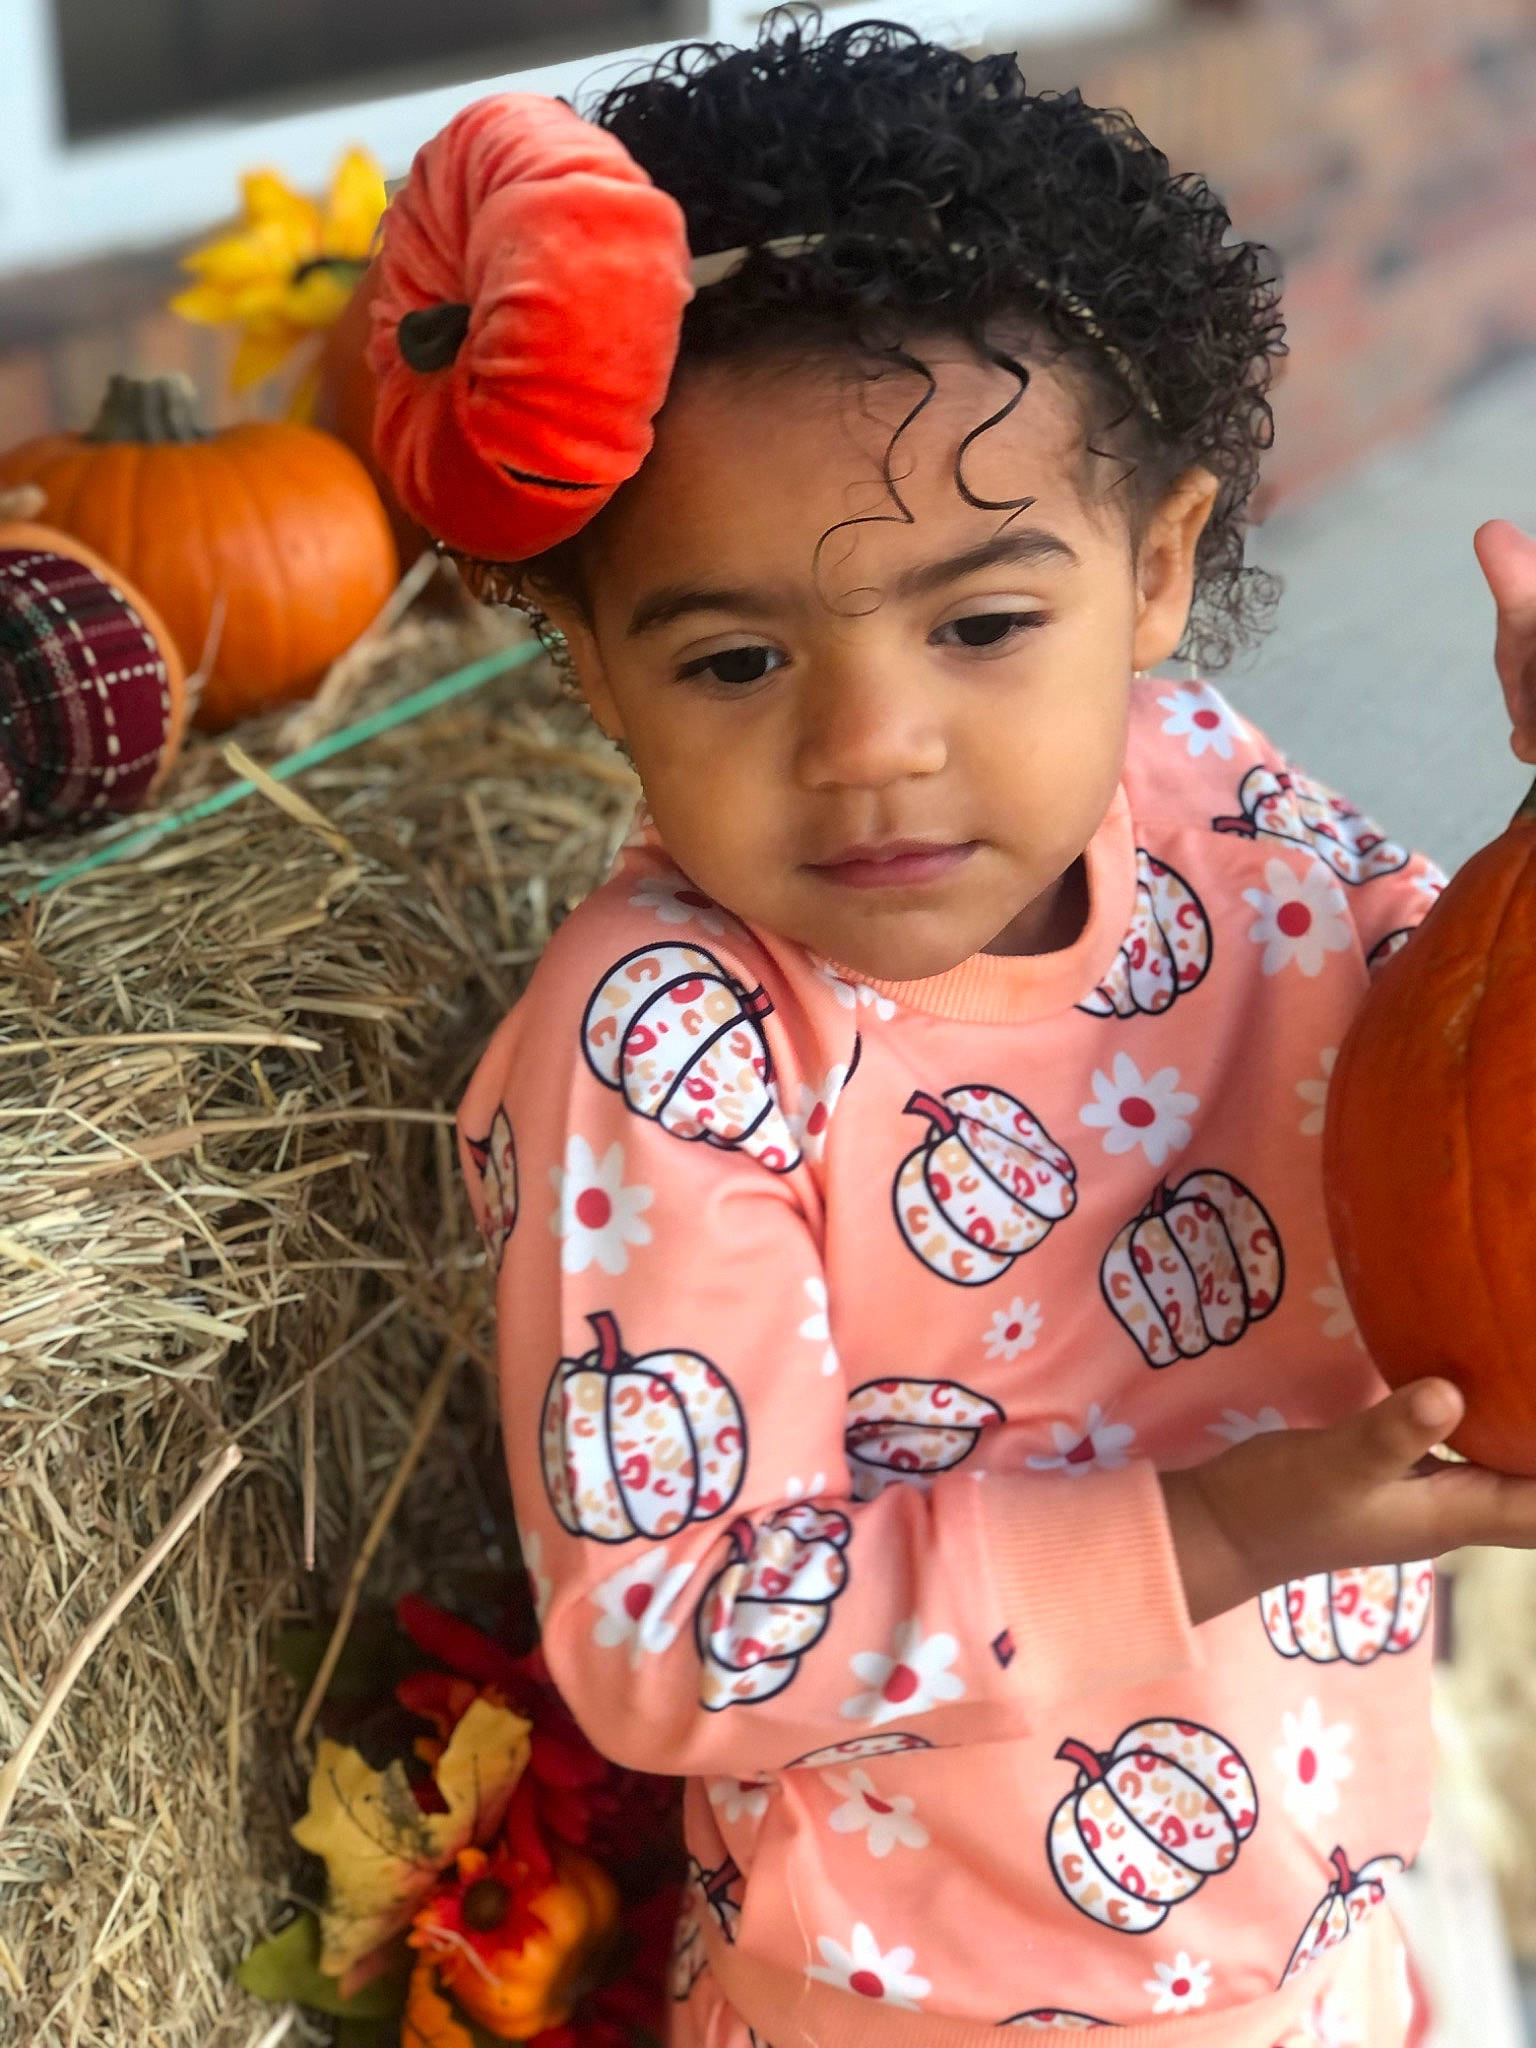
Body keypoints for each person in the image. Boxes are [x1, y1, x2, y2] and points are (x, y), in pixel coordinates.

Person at [370, 15, 1536, 2043]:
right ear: (590, 672)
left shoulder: (1223, 807)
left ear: (1156, 567)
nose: (871, 747)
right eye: (736, 658)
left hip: (1328, 1930)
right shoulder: (671, 1043)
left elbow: (1482, 1064)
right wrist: (1226, 1524)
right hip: (910, 2005)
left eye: (985, 625)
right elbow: (664, 1634)